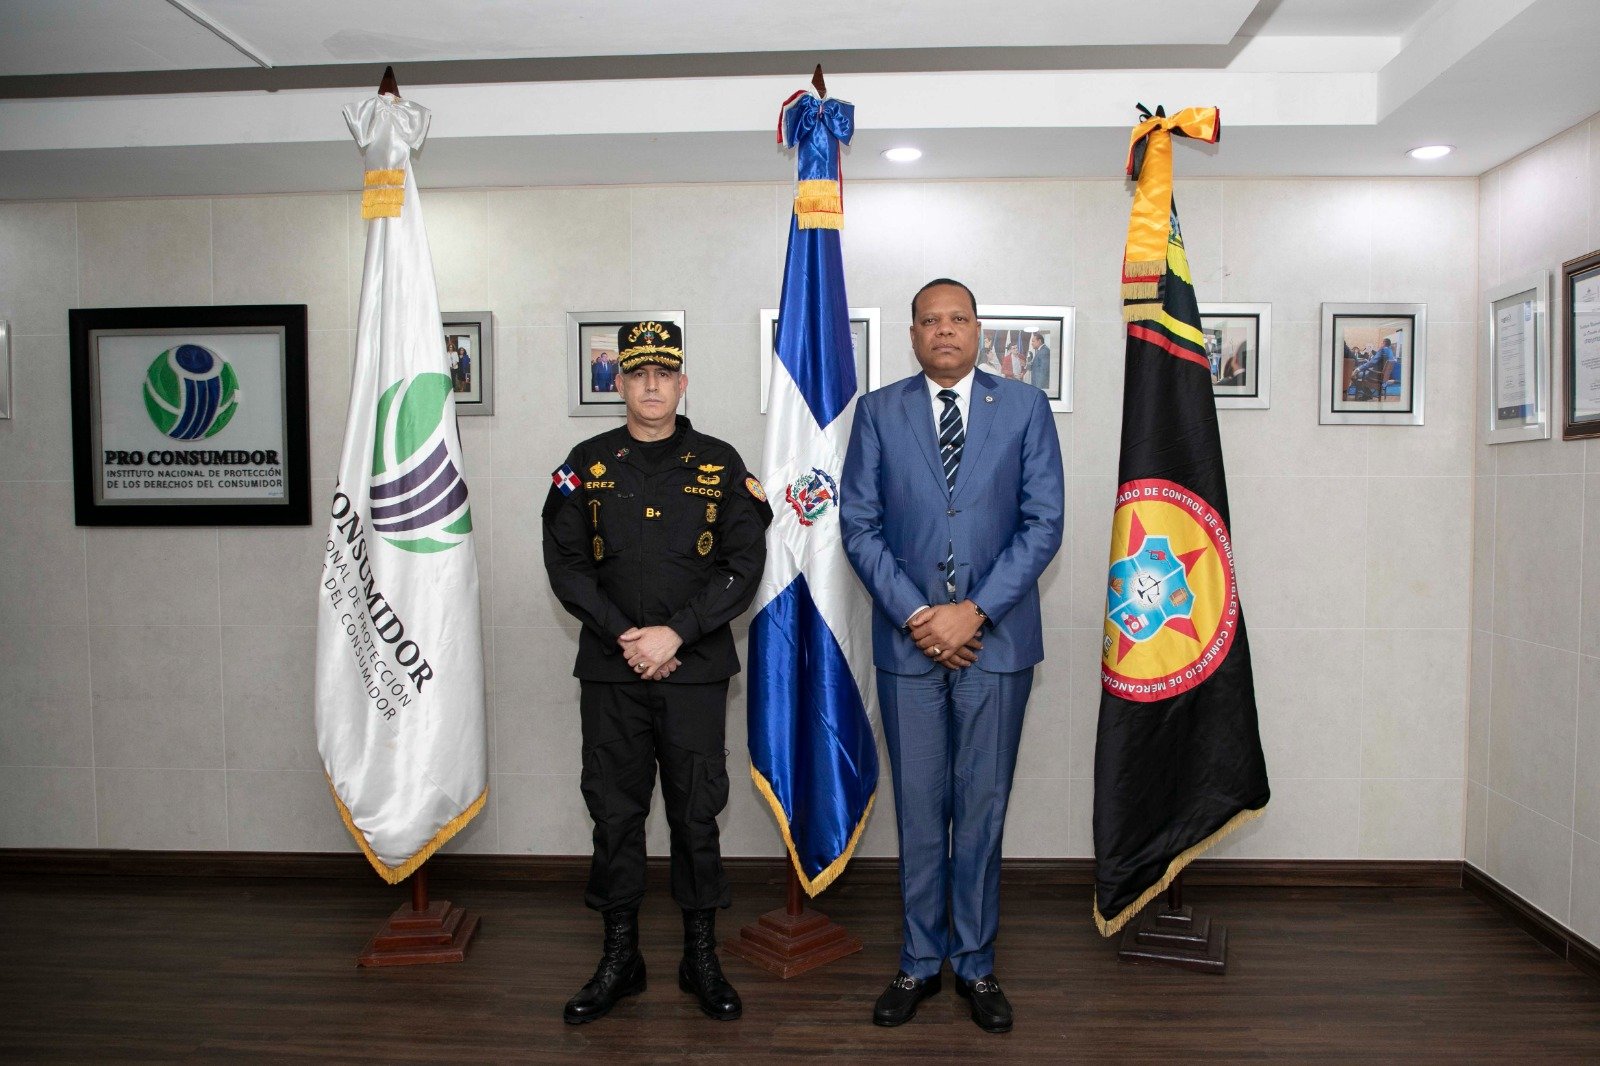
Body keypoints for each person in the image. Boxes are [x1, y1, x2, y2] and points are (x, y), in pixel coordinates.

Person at [841, 278, 1064, 1034]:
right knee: (920, 809)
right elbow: (859, 526)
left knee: (980, 811)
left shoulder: (1026, 409)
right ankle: (916, 962)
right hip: (909, 648)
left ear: (979, 330)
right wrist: (919, 616)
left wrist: (972, 611)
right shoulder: (878, 412)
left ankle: (974, 964)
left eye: (957, 319)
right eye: (929, 321)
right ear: (911, 334)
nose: (944, 331)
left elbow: (1044, 522)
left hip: (997, 644)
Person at [542, 320, 772, 1026]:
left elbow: (744, 564)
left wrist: (676, 633)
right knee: (615, 814)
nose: (650, 385)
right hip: (613, 674)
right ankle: (622, 958)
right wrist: (626, 637)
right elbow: (566, 566)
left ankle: (700, 955)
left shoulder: (722, 462)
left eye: (663, 373)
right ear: (619, 383)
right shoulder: (583, 464)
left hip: (695, 670)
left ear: (682, 382)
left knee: (696, 813)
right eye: (636, 373)